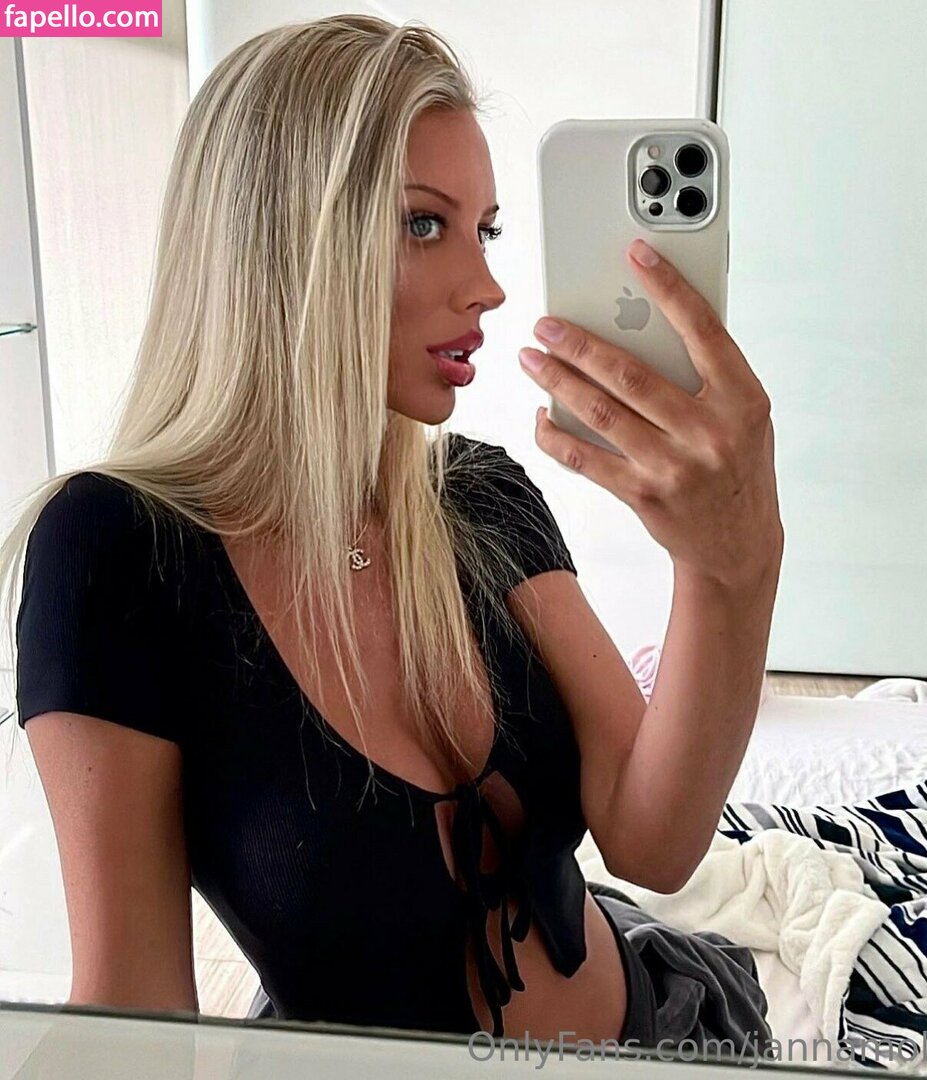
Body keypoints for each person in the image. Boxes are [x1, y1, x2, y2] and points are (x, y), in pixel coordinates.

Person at [0, 13, 783, 1054]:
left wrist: (729, 568)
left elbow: (654, 840)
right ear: (281, 239)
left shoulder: (478, 496)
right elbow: (133, 1015)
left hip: (651, 1028)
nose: (487, 286)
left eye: (483, 229)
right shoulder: (119, 553)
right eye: (423, 224)